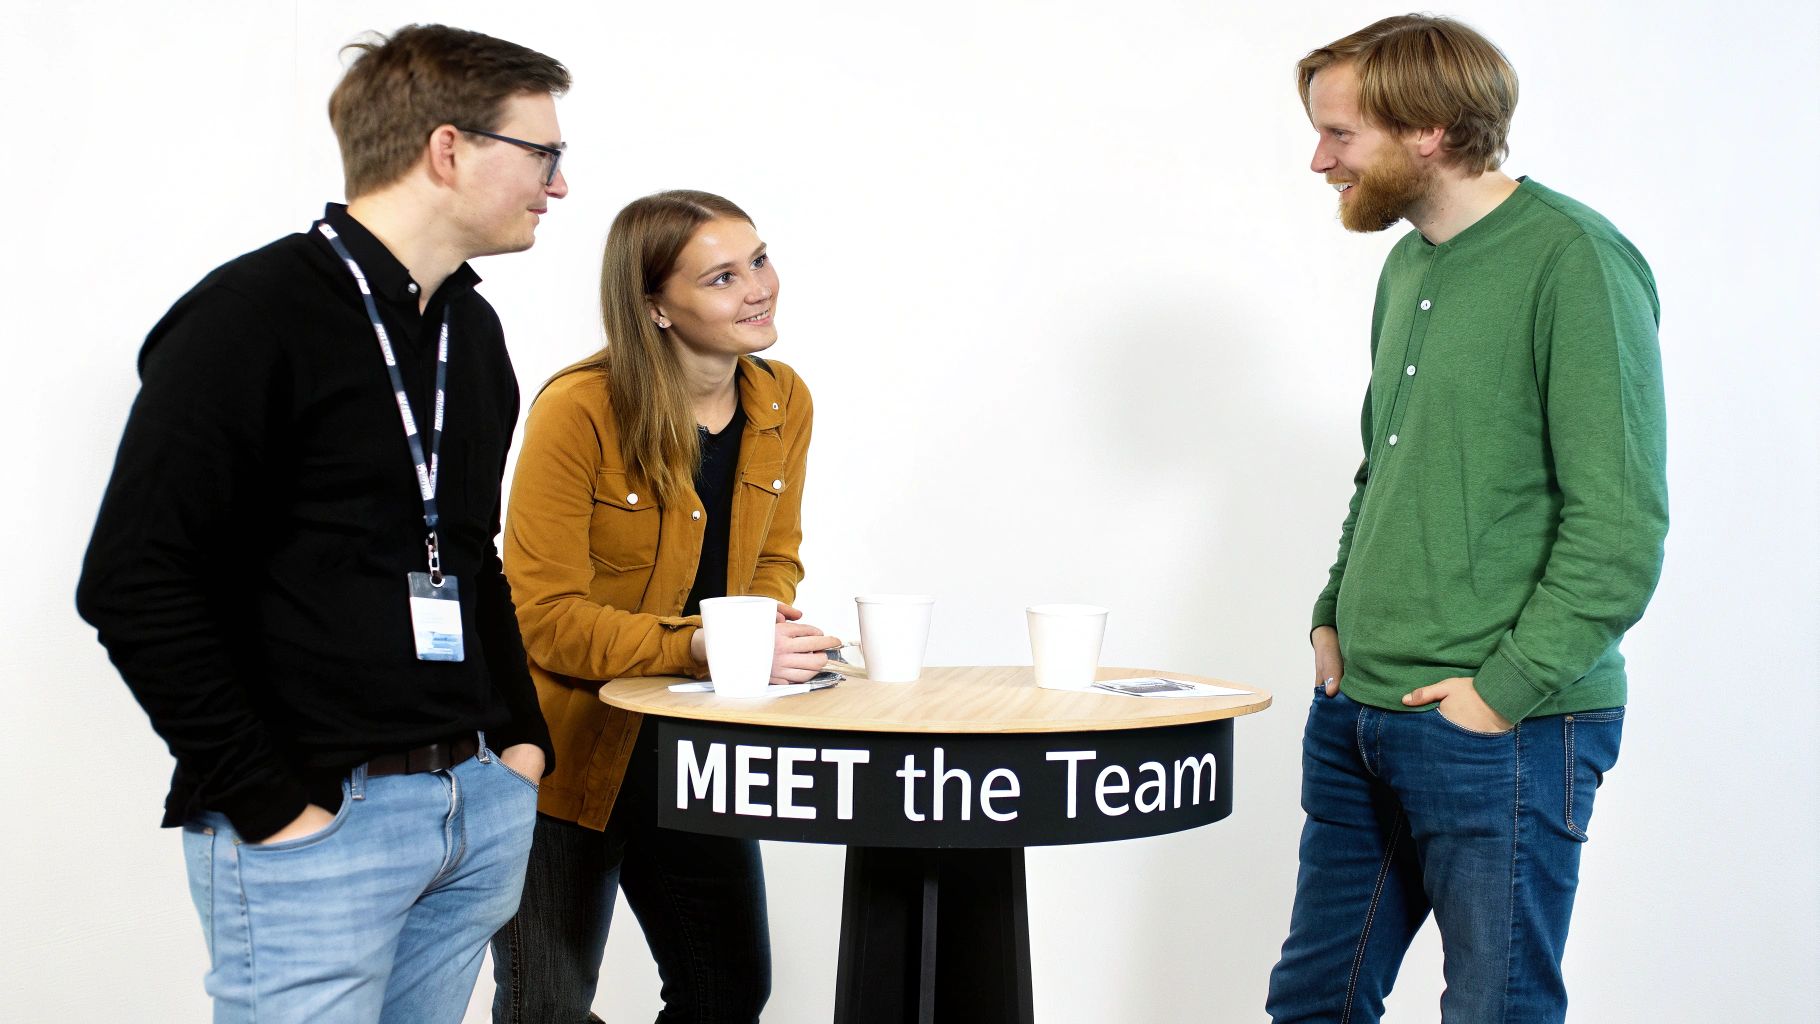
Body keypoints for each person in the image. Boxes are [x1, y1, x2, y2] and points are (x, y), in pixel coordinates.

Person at [75, 24, 569, 1022]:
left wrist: (516, 745)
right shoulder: (247, 316)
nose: (557, 184)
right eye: (542, 153)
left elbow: (469, 557)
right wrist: (270, 804)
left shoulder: (468, 330)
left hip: (472, 807)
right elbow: (131, 580)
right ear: (448, 149)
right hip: (319, 825)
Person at [1266, 15, 1668, 1023]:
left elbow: (1617, 528)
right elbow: (1385, 467)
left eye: (1339, 135)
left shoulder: (1572, 260)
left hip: (1503, 728)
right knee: (1311, 1003)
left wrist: (1499, 693)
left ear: (1431, 130)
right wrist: (1330, 613)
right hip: (1358, 710)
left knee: (1494, 1010)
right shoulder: (1406, 267)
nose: (1317, 159)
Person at [489, 190, 835, 1022]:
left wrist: (766, 622)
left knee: (727, 993)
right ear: (656, 307)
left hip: (698, 753)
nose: (758, 287)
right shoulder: (580, 410)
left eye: (758, 259)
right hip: (564, 754)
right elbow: (541, 617)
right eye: (722, 277)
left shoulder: (782, 401)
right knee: (548, 1008)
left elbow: (775, 554)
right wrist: (703, 645)